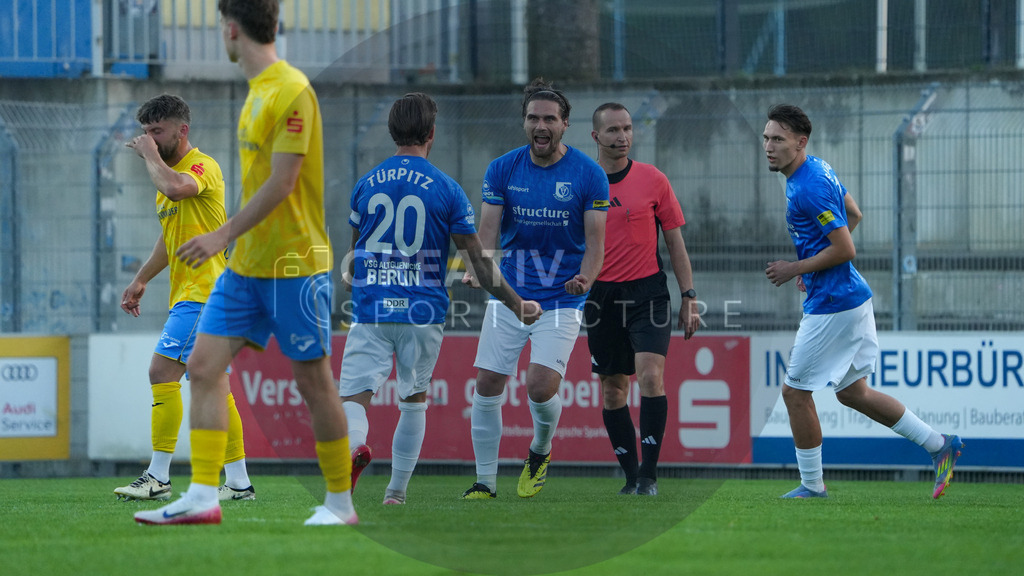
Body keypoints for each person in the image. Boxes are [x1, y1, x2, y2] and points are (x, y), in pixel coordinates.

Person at [134, 0, 356, 526]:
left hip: (293, 263)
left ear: (231, 30)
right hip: (245, 266)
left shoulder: (290, 89)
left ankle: (340, 503)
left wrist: (222, 235)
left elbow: (284, 182)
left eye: (220, 26)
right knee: (203, 368)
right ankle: (203, 496)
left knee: (314, 383)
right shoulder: (256, 92)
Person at [338, 93, 543, 506]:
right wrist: (517, 304)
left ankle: (356, 445)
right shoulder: (447, 189)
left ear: (392, 131)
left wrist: (353, 276)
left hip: (372, 307)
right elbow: (479, 263)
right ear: (432, 133)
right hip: (422, 311)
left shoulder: (366, 183)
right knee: (413, 402)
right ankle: (395, 494)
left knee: (353, 398)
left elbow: (357, 253)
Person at [762, 104, 963, 499]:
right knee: (853, 392)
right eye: (766, 138)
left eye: (778, 139)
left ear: (800, 143)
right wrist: (813, 266)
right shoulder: (816, 169)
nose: (768, 146)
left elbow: (846, 248)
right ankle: (940, 445)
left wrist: (795, 267)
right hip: (851, 298)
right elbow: (854, 213)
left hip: (834, 304)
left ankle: (812, 485)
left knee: (794, 393)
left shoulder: (808, 187)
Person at [460, 79, 609, 500]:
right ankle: (484, 483)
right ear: (524, 122)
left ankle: (540, 450)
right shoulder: (502, 169)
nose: (540, 126)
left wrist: (585, 278)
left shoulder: (589, 174)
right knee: (487, 384)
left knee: (540, 387)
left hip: (562, 298)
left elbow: (596, 246)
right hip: (510, 294)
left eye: (549, 119)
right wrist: (477, 268)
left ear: (565, 124)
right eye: (532, 118)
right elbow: (487, 234)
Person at [115, 94, 256, 504]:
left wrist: (148, 155)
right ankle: (239, 482)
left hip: (202, 294)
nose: (150, 139)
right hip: (203, 295)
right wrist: (141, 279)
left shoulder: (200, 166)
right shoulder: (166, 179)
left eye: (157, 131)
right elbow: (169, 238)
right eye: (146, 132)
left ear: (182, 130)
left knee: (161, 372)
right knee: (214, 387)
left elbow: (177, 189)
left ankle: (157, 476)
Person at [586, 103, 701, 497]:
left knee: (651, 376)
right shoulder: (582, 183)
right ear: (595, 136)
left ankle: (649, 477)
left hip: (648, 293)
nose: (623, 137)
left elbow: (675, 243)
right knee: (613, 389)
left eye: (628, 128)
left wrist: (688, 295)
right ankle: (631, 476)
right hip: (601, 297)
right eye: (613, 130)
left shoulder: (653, 179)